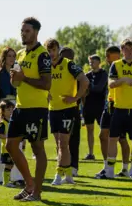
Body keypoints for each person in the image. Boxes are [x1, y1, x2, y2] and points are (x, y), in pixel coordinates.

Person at [8, 17, 51, 202]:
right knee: (10, 145)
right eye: (22, 31)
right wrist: (15, 78)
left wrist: (23, 78)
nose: (23, 34)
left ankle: (37, 193)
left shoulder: (43, 55)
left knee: (37, 148)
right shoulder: (20, 54)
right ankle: (29, 184)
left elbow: (46, 83)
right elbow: (16, 82)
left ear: (35, 32)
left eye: (27, 31)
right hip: (20, 107)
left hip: (36, 109)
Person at [45, 38, 89, 185]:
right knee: (59, 145)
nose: (52, 53)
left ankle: (58, 174)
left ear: (58, 50)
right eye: (49, 50)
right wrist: (45, 93)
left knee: (63, 143)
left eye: (54, 50)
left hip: (67, 110)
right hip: (53, 109)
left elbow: (85, 81)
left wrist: (76, 98)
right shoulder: (45, 66)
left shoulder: (69, 64)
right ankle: (69, 174)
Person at [103, 39, 132, 179]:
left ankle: (131, 171)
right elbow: (110, 84)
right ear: (122, 50)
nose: (129, 52)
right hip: (119, 108)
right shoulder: (116, 65)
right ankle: (109, 171)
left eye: (131, 49)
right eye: (126, 49)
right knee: (113, 139)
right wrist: (124, 80)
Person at [0, 47, 24, 185]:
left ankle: (18, 177)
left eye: (13, 56)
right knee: (1, 144)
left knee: (19, 143)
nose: (12, 58)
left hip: (16, 107)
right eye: (9, 56)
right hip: (2, 107)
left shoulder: (18, 73)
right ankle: (2, 177)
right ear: (4, 57)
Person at [95, 46, 131, 179]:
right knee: (103, 135)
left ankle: (125, 169)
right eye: (110, 57)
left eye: (116, 56)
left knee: (121, 138)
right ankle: (107, 167)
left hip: (119, 106)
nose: (112, 59)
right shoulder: (109, 69)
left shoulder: (124, 67)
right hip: (109, 105)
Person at [60, 47, 81, 176]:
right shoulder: (56, 69)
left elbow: (85, 88)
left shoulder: (75, 71)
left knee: (72, 140)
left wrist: (76, 98)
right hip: (59, 108)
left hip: (72, 108)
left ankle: (72, 166)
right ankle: (65, 165)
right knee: (62, 140)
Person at [83, 54, 107, 161]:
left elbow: (99, 88)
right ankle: (90, 153)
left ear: (98, 62)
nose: (91, 64)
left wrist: (88, 87)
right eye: (90, 62)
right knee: (89, 130)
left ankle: (107, 154)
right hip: (88, 106)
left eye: (93, 62)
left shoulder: (103, 74)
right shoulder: (87, 75)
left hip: (100, 107)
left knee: (104, 131)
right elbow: (82, 90)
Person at [0, 100, 16, 187]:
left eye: (12, 109)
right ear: (3, 112)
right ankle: (5, 182)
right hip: (6, 149)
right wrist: (9, 137)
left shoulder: (12, 122)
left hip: (13, 148)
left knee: (11, 165)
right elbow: (0, 135)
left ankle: (7, 181)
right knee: (8, 165)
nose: (11, 111)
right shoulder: (3, 123)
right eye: (8, 110)